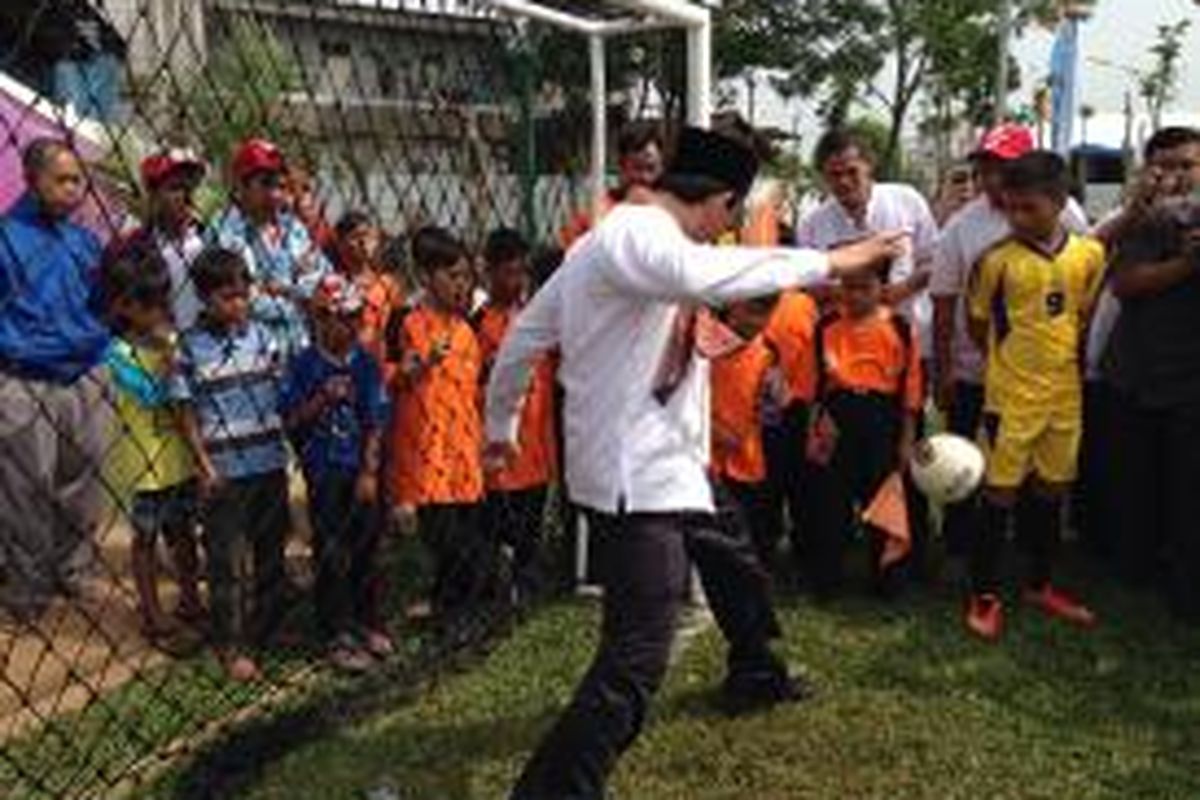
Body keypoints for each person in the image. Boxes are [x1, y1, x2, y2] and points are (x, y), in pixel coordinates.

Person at [485, 125, 907, 800]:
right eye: (730, 218)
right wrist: (835, 262)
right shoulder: (638, 237)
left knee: (736, 560)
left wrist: (498, 424)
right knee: (636, 655)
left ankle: (755, 669)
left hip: (674, 465)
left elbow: (525, 341)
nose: (726, 233)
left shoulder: (618, 244)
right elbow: (699, 275)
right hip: (637, 479)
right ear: (719, 202)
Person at [929, 124, 1089, 568]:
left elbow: (1080, 277)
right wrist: (943, 370)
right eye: (984, 167)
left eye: (1001, 167)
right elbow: (945, 303)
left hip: (1044, 378)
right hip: (974, 370)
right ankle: (961, 546)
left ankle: (1028, 551)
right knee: (967, 461)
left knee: (1035, 467)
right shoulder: (962, 227)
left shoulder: (1064, 211)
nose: (990, 178)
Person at [964, 151, 1106, 641]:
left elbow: (1081, 314)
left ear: (1060, 202)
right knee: (998, 495)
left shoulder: (1089, 254)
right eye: (1010, 208)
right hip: (1010, 401)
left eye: (1028, 208)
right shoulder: (995, 262)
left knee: (1051, 491)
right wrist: (1009, 365)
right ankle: (985, 594)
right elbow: (977, 322)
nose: (1017, 218)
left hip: (1064, 397)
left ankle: (1040, 584)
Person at [0, 138, 112, 620]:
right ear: (32, 179)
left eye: (79, 180)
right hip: (23, 378)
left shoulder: (85, 239)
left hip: (86, 374)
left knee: (83, 477)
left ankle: (74, 570)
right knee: (26, 486)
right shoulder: (5, 238)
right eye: (63, 180)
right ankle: (28, 587)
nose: (75, 190)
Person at [170, 247, 290, 681]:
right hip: (224, 471)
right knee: (226, 561)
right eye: (227, 297)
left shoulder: (262, 337)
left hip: (268, 461)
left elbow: (281, 393)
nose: (238, 304)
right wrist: (204, 466)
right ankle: (232, 644)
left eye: (243, 295)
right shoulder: (190, 347)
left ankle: (271, 629)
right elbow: (185, 411)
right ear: (205, 299)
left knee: (270, 551)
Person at [1101, 126, 1200, 621]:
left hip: (1190, 380)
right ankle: (1133, 570)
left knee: (1189, 490)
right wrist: (1187, 265)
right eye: (1165, 167)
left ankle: (1184, 587)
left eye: (1187, 165)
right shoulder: (1144, 222)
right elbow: (1125, 283)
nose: (1177, 177)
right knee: (1137, 483)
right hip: (1137, 373)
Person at [281, 273, 392, 671]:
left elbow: (376, 419)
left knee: (367, 546)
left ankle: (368, 620)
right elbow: (291, 419)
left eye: (347, 317)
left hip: (358, 470)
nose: (338, 326)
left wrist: (369, 470)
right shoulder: (303, 365)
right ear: (315, 320)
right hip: (324, 470)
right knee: (330, 550)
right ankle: (336, 631)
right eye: (327, 317)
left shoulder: (365, 363)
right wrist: (320, 400)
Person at [101, 242, 204, 647]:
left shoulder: (173, 342)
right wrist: (171, 359)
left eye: (164, 301)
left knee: (183, 533)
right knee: (145, 539)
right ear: (126, 306)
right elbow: (149, 394)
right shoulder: (119, 353)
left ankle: (191, 598)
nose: (162, 311)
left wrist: (174, 353)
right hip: (145, 465)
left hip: (178, 459)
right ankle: (152, 612)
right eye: (152, 304)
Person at [385, 227, 489, 626]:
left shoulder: (466, 329)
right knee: (447, 541)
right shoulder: (406, 322)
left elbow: (474, 391)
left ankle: (454, 611)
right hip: (426, 456)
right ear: (427, 277)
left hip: (464, 453)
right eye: (453, 276)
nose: (463, 285)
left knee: (469, 541)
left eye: (466, 276)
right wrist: (410, 369)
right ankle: (449, 612)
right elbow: (388, 377)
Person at [806, 259, 923, 599]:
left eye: (864, 288)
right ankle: (826, 577)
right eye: (847, 287)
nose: (854, 296)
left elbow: (911, 391)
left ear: (882, 290)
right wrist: (817, 422)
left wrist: (905, 438)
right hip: (837, 420)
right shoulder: (826, 326)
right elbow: (815, 383)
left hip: (881, 419)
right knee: (830, 502)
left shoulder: (900, 328)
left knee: (885, 500)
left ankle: (889, 578)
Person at [796, 128, 940, 358]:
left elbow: (935, 262)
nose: (844, 182)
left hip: (911, 343)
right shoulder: (811, 224)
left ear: (869, 166)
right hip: (844, 354)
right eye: (834, 174)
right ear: (823, 176)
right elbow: (807, 288)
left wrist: (905, 287)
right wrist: (851, 293)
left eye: (852, 172)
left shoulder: (907, 200)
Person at [474, 228, 556, 606]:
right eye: (507, 272)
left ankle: (527, 584)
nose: (516, 280)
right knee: (497, 523)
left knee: (531, 523)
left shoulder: (536, 317)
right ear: (488, 271)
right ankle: (496, 587)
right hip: (498, 447)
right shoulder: (477, 324)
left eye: (521, 272)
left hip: (536, 443)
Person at [211, 138, 330, 357]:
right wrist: (298, 295)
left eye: (281, 186)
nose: (275, 195)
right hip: (248, 352)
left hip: (300, 346)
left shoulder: (293, 227)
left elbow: (324, 279)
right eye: (265, 184)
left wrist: (281, 289)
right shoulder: (224, 230)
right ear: (241, 185)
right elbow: (244, 298)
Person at [709, 295, 785, 571]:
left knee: (748, 527)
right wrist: (710, 428)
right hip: (705, 456)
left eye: (765, 314)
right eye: (751, 311)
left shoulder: (767, 352)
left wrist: (775, 397)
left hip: (747, 457)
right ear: (730, 308)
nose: (758, 321)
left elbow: (772, 410)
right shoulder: (704, 345)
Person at [128, 147, 208, 329]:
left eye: (192, 187)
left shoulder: (209, 240)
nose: (187, 197)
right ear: (153, 194)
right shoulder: (134, 247)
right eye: (176, 188)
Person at [559, 121, 664, 248]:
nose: (644, 177)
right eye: (637, 168)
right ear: (621, 167)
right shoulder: (601, 214)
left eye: (651, 168)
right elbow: (569, 246)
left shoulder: (673, 211)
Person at [333, 210, 404, 373]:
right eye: (355, 237)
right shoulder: (336, 284)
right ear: (341, 244)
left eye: (367, 235)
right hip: (347, 366)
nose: (363, 242)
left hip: (383, 366)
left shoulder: (388, 284)